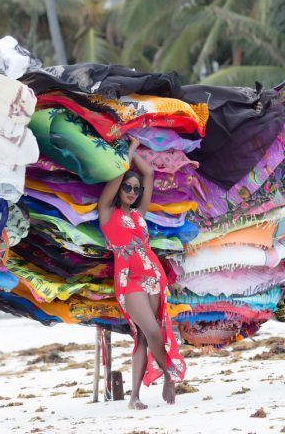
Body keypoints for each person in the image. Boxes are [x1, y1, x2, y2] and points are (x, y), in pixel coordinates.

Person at [98, 135, 186, 410]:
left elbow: (147, 174)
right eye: (128, 187)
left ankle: (134, 397)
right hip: (129, 280)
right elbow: (117, 178)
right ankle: (169, 375)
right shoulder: (107, 212)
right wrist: (128, 151)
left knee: (145, 336)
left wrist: (136, 153)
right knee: (151, 331)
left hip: (154, 276)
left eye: (136, 189)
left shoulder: (140, 215)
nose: (133, 192)